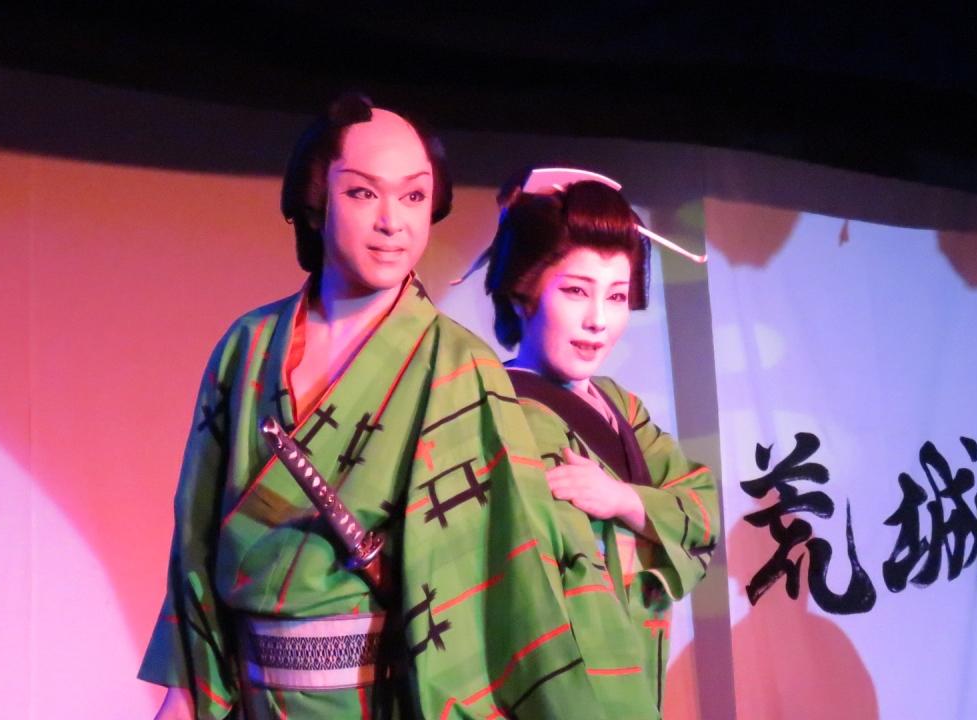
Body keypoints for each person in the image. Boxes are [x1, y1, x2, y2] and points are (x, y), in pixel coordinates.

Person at [140, 94, 602, 719]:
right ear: (315, 199)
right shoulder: (246, 347)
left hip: (384, 698)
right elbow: (195, 535)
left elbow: (504, 565)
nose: (393, 221)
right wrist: (183, 691)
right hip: (249, 696)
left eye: (413, 196)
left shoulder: (458, 366)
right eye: (363, 193)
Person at [478, 170, 721, 717]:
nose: (598, 321)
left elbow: (703, 507)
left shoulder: (620, 405)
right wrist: (649, 516)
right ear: (522, 292)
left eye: (616, 296)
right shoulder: (497, 411)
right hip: (564, 685)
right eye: (575, 291)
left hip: (638, 667)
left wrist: (625, 501)